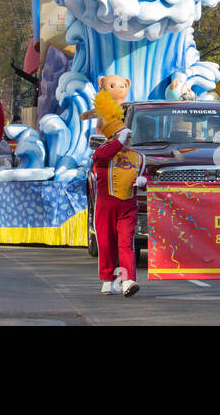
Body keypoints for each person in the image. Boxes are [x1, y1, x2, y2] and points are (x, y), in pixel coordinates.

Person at [82, 87, 145, 297]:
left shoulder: (137, 157)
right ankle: (108, 279)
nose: (127, 141)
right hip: (105, 207)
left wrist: (144, 181)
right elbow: (107, 153)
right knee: (107, 244)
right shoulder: (102, 152)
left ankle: (128, 281)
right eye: (122, 137)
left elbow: (144, 176)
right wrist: (118, 141)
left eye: (127, 137)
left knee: (126, 244)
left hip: (128, 207)